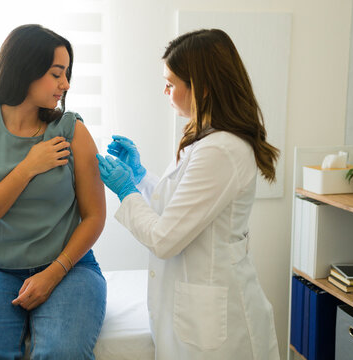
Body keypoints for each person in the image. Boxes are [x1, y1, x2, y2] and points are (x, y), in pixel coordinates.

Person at [96, 29, 281, 359]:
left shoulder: (221, 150)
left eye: (171, 82)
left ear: (203, 87)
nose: (164, 90)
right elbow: (182, 208)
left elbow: (165, 239)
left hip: (215, 323)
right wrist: (140, 178)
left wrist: (126, 191)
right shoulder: (208, 140)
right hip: (197, 308)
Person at [0, 24, 107, 360]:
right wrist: (27, 168)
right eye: (57, 73)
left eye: (67, 73)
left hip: (70, 267)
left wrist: (53, 273)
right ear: (25, 70)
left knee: (63, 353)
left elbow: (95, 216)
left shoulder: (72, 131)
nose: (66, 84)